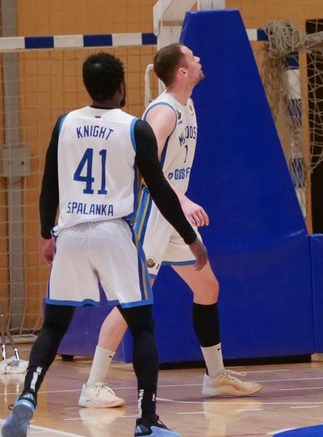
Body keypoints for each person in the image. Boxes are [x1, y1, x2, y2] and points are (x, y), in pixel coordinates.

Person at [1, 52, 209, 437]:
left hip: (71, 233)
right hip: (113, 233)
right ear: (121, 87)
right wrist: (189, 236)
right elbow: (160, 190)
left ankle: (28, 394)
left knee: (53, 326)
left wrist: (46, 234)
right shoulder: (135, 128)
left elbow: (49, 184)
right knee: (142, 326)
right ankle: (147, 420)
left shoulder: (64, 123)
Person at [80, 43, 261, 409]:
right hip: (153, 213)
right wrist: (185, 201)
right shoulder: (163, 112)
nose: (199, 60)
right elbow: (148, 171)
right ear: (182, 71)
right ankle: (93, 385)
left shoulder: (187, 104)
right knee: (133, 300)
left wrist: (181, 204)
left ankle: (215, 377)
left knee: (207, 286)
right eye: (192, 58)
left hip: (172, 216)